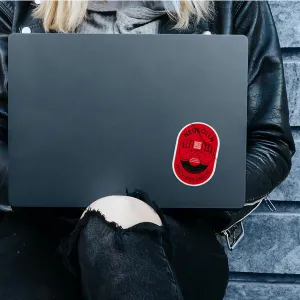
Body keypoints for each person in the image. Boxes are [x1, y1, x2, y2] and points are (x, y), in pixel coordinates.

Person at [0, 1, 295, 300]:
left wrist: (192, 190)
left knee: (115, 230)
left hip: (174, 232)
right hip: (40, 232)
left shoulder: (232, 4)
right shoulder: (16, 5)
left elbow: (270, 143)